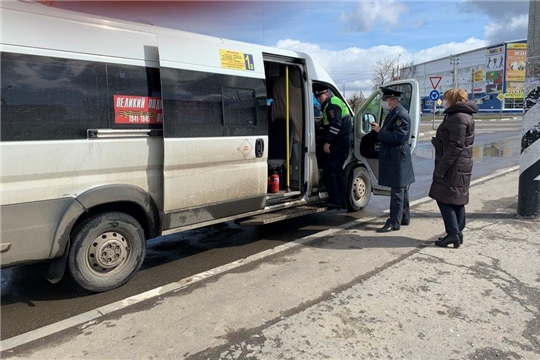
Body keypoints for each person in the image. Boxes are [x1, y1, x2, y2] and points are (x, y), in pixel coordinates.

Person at [429, 88, 477, 248]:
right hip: (460, 164)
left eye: (446, 99)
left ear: (452, 99)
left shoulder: (457, 117)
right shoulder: (461, 115)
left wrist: (441, 168)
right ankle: (458, 232)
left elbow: (456, 146)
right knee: (456, 199)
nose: (444, 101)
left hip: (453, 165)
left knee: (444, 199)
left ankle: (453, 234)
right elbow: (455, 142)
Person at [370, 87, 415, 232]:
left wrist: (379, 131)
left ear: (394, 101)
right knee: (401, 188)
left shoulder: (400, 115)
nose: (385, 103)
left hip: (397, 155)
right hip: (397, 155)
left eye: (386, 100)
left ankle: (394, 222)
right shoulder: (394, 112)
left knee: (397, 190)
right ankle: (403, 217)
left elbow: (397, 137)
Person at [314, 89, 352, 210]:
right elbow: (330, 121)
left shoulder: (331, 105)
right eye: (317, 97)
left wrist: (328, 142)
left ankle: (335, 200)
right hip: (343, 139)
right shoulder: (333, 102)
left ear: (326, 94)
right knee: (338, 171)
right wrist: (320, 123)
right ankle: (342, 200)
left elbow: (335, 124)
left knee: (330, 170)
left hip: (338, 141)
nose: (319, 99)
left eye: (320, 96)